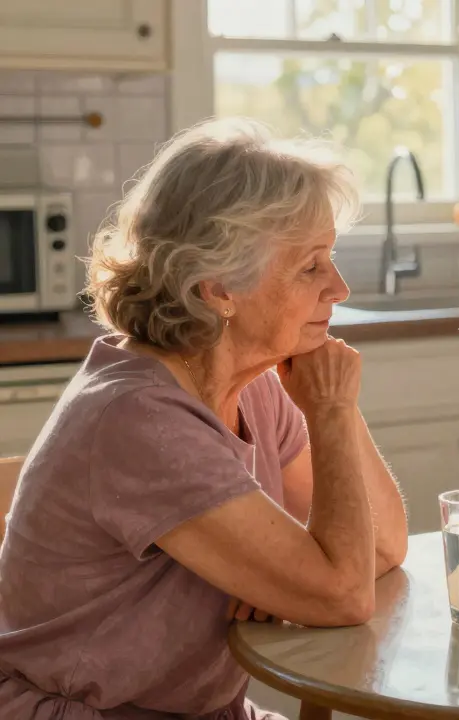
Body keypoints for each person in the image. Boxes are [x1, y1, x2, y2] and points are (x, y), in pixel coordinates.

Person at [0, 118, 410, 719]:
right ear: (219, 288)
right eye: (310, 266)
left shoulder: (257, 388)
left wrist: (293, 579)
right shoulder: (139, 419)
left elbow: (383, 546)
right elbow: (347, 593)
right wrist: (330, 411)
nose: (340, 288)